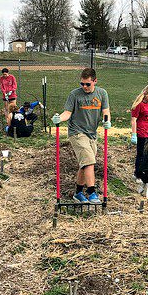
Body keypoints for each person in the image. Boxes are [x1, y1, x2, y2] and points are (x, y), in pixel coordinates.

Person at [51, 68, 111, 204]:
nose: (84, 86)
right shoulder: (74, 95)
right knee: (89, 161)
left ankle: (78, 193)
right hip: (77, 133)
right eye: (82, 84)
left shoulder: (102, 93)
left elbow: (106, 111)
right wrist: (59, 118)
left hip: (92, 134)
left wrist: (107, 122)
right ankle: (91, 192)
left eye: (87, 84)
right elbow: (67, 113)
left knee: (85, 164)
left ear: (95, 81)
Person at [130, 85, 148, 182]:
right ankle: (137, 174)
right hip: (140, 132)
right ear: (146, 94)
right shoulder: (139, 105)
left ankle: (140, 172)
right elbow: (133, 120)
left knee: (146, 154)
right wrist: (134, 134)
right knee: (141, 154)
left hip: (147, 132)